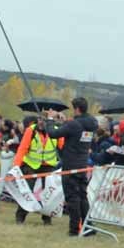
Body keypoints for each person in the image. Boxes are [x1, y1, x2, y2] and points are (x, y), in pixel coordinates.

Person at [41, 97, 98, 237]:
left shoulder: (75, 124)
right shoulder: (92, 123)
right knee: (83, 197)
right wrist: (65, 121)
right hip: (82, 164)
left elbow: (53, 134)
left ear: (77, 109)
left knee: (72, 198)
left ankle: (74, 229)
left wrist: (49, 119)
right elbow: (74, 130)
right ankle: (88, 226)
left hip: (70, 165)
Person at [11, 114, 59, 225]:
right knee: (27, 190)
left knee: (48, 192)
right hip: (31, 165)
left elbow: (63, 146)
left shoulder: (56, 131)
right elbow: (22, 149)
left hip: (48, 166)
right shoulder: (30, 130)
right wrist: (16, 167)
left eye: (44, 120)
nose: (41, 122)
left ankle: (47, 218)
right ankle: (20, 217)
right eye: (40, 119)